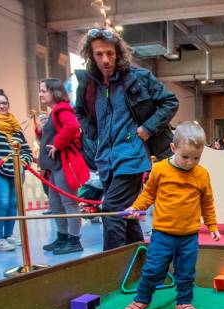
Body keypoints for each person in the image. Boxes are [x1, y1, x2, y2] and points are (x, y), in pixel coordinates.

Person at [74, 27, 179, 251]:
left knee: (111, 211)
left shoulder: (138, 78)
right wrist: (93, 134)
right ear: (91, 55)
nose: (105, 59)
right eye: (99, 54)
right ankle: (141, 264)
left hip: (131, 156)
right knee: (127, 215)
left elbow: (170, 101)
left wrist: (148, 128)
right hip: (104, 159)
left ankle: (112, 270)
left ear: (118, 53)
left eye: (110, 53)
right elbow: (80, 113)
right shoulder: (88, 85)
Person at [120, 121, 220, 309]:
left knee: (186, 272)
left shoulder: (202, 174)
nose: (190, 162)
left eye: (196, 158)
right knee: (153, 269)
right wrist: (136, 208)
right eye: (185, 157)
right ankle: (141, 300)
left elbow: (207, 201)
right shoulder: (159, 169)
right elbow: (148, 194)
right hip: (163, 234)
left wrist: (212, 226)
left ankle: (183, 303)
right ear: (173, 148)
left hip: (189, 235)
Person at [38, 78, 89, 255]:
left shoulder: (62, 109)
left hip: (64, 162)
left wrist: (58, 144)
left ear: (54, 92)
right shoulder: (55, 112)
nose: (40, 94)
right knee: (55, 203)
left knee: (68, 202)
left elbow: (72, 125)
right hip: (56, 165)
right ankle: (63, 237)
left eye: (43, 90)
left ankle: (74, 240)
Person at [0, 88, 33, 252]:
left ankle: (9, 235)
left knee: (13, 204)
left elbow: (26, 150)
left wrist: (23, 163)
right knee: (1, 203)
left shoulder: (15, 127)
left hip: (16, 171)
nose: (1, 106)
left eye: (4, 103)